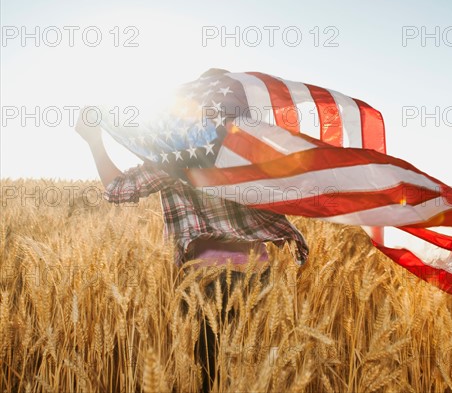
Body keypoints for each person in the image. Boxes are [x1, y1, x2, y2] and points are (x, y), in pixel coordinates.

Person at [75, 108, 308, 392]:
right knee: (256, 373)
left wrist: (94, 141)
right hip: (259, 274)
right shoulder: (245, 152)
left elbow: (118, 189)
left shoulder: (174, 154)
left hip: (205, 279)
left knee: (209, 377)